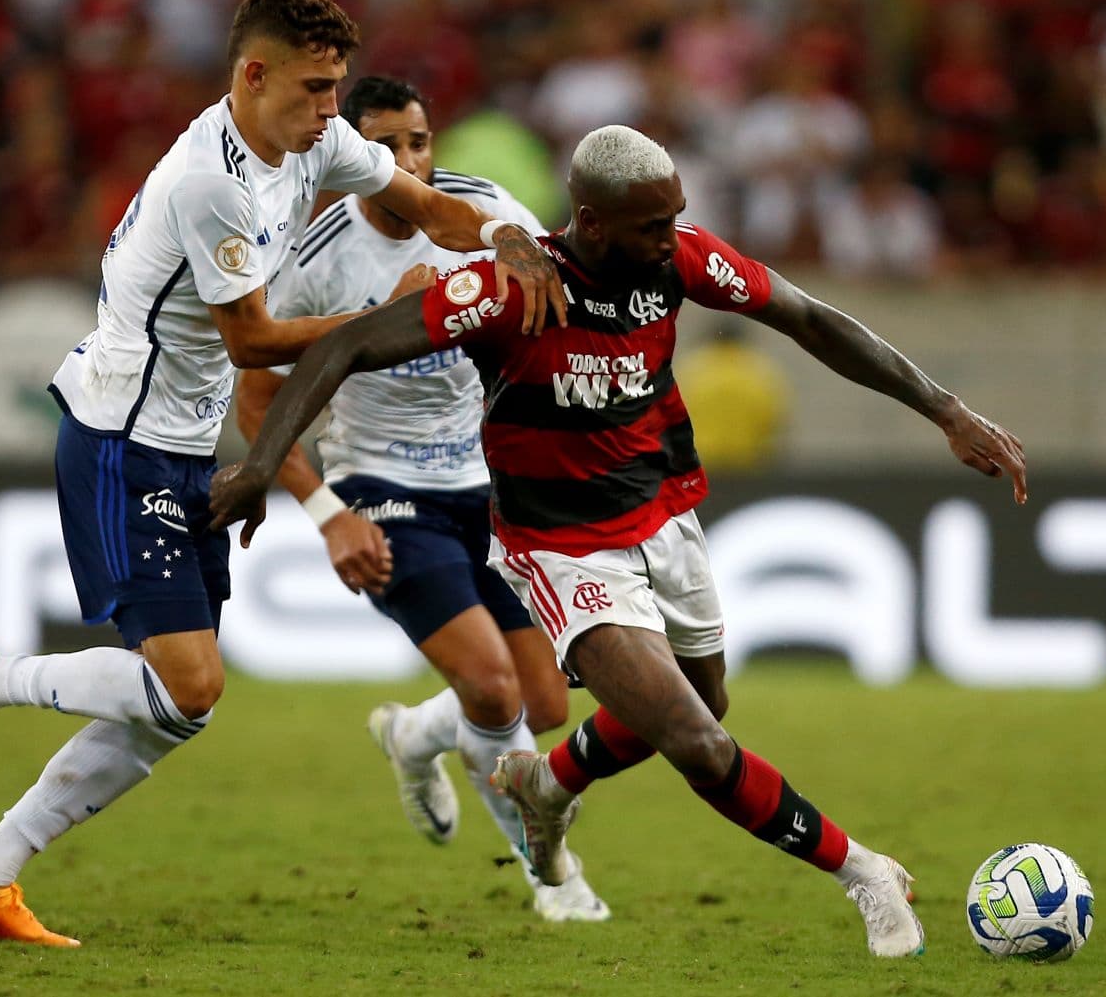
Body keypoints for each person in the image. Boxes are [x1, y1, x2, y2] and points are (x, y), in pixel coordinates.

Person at [211, 125, 1028, 958]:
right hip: (560, 547)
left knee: (703, 704)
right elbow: (349, 343)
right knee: (698, 742)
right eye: (650, 223)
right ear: (592, 223)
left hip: (664, 513)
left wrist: (947, 410)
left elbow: (809, 318)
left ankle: (547, 780)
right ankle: (864, 871)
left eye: (675, 216)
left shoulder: (677, 258)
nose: (669, 236)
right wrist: (261, 465)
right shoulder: (504, 290)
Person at [0, 0, 564, 948]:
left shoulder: (316, 139)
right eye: (313, 88)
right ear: (253, 75)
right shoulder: (210, 179)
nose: (332, 109)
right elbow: (253, 341)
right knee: (190, 684)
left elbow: (429, 207)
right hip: (124, 437)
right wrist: (399, 320)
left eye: (336, 86)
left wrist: (509, 239)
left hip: (190, 440)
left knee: (176, 711)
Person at [235, 75, 606, 922]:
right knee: (493, 690)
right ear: (344, 154)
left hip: (489, 481)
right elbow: (256, 408)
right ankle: (553, 875)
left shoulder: (483, 212)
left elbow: (555, 303)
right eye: (386, 148)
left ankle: (412, 736)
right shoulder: (312, 257)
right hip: (382, 485)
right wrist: (331, 515)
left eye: (420, 142)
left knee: (543, 703)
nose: (409, 163)